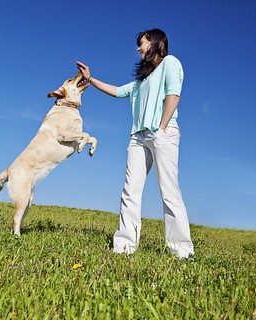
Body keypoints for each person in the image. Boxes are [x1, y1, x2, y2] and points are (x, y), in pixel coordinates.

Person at [76, 28, 194, 259]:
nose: (138, 48)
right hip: (138, 138)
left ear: (155, 43)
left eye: (142, 43)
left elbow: (173, 95)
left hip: (163, 133)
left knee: (169, 191)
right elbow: (118, 91)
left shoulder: (170, 63)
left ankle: (182, 251)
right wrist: (90, 78)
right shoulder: (141, 80)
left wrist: (161, 128)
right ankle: (124, 246)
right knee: (130, 190)